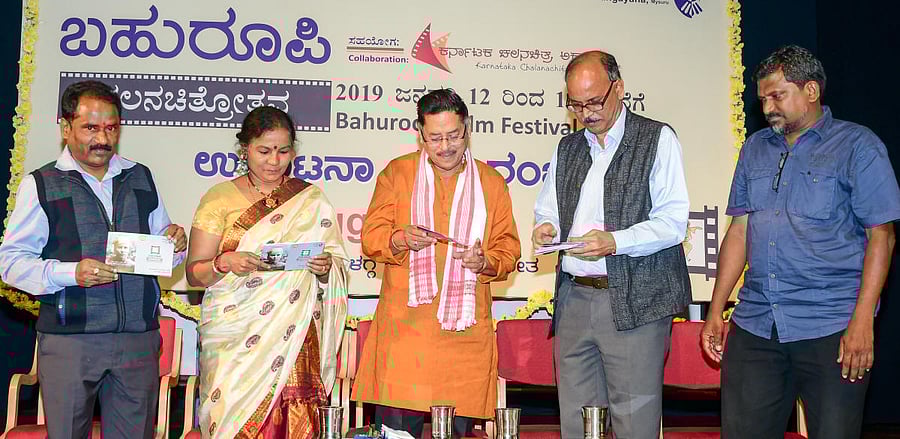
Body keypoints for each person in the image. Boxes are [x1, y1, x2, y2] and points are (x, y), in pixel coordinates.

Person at [701, 45, 900, 439]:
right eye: (763, 99)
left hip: (831, 327)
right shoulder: (755, 148)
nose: (768, 106)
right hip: (757, 325)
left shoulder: (858, 146)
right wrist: (716, 308)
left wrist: (862, 322)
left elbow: (882, 236)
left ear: (811, 91)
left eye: (778, 95)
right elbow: (739, 231)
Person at [0, 80, 187, 439]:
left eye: (111, 128)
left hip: (137, 340)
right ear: (66, 128)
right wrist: (72, 273)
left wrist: (175, 244)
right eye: (90, 128)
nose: (102, 138)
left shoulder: (141, 177)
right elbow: (11, 263)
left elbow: (165, 253)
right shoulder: (42, 183)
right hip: (71, 342)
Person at [532, 50, 691, 439]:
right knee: (576, 422)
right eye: (575, 104)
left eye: (593, 101)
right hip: (573, 300)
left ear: (618, 89)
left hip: (636, 300)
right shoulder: (567, 148)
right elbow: (546, 208)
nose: (585, 113)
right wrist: (546, 227)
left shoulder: (657, 138)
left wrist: (614, 242)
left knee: (634, 422)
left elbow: (673, 223)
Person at [352, 89, 521, 437]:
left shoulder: (491, 183)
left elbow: (508, 251)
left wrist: (484, 260)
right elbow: (371, 240)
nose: (445, 146)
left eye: (454, 136)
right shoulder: (397, 174)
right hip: (404, 338)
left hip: (462, 340)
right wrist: (400, 239)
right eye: (435, 138)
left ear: (468, 129)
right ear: (420, 134)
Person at [186, 106, 349, 439]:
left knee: (295, 417)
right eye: (264, 150)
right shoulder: (218, 199)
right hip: (235, 335)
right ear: (245, 149)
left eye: (284, 151)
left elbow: (334, 261)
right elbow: (194, 273)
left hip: (294, 332)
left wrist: (323, 269)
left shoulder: (310, 199)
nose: (275, 161)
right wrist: (224, 263)